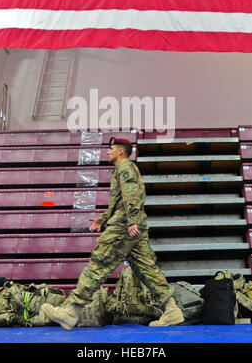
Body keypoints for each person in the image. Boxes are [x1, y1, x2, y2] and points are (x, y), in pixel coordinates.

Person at [41, 137, 184, 330]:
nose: (107, 152)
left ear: (120, 152)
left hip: (124, 225)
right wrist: (103, 219)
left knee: (99, 263)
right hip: (132, 225)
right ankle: (171, 310)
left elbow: (131, 194)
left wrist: (131, 219)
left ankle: (71, 312)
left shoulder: (124, 167)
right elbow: (118, 201)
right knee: (146, 269)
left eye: (111, 149)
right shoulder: (125, 168)